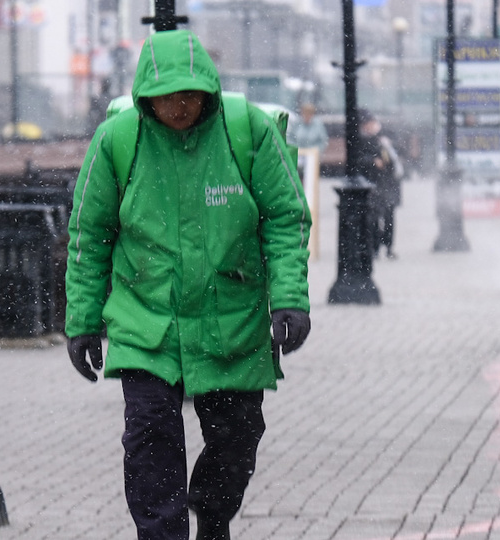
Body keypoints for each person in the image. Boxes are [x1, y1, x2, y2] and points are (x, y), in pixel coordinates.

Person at [64, 29, 312, 540]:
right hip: (145, 321)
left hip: (232, 320)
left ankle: (212, 512)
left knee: (237, 437)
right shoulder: (118, 141)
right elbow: (90, 236)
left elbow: (285, 218)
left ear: (208, 91)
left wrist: (289, 300)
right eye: (165, 97)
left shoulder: (249, 132)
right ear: (144, 98)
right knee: (150, 436)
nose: (178, 106)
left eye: (188, 95)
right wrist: (83, 322)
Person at [358, 111, 403, 259]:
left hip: (389, 184)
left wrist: (390, 145)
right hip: (374, 184)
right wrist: (372, 161)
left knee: (389, 216)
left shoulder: (387, 134)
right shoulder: (363, 139)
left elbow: (401, 150)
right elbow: (358, 160)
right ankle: (375, 248)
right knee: (374, 218)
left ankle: (389, 247)